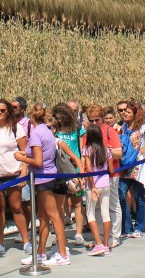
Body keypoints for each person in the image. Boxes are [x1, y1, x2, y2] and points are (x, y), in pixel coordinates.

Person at [14, 104, 72, 267]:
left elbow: (38, 161)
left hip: (43, 179)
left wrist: (22, 158)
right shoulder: (46, 131)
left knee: (53, 216)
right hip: (47, 176)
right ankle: (40, 253)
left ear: (32, 117)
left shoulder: (36, 133)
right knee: (43, 217)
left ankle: (62, 253)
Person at [116, 99, 145, 240]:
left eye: (128, 112)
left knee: (139, 196)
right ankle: (127, 227)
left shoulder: (142, 127)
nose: (125, 114)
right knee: (122, 194)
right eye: (124, 111)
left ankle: (140, 226)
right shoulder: (122, 127)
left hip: (138, 164)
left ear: (135, 114)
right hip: (125, 165)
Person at [0, 99, 28, 255]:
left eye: (3, 110)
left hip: (14, 173)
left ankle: (26, 241)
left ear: (8, 112)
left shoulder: (15, 128)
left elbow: (24, 151)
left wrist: (24, 173)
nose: (0, 113)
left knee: (17, 208)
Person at [85, 104, 123, 248]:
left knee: (112, 205)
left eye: (97, 120)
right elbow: (85, 154)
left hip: (110, 175)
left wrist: (106, 153)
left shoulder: (109, 131)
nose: (94, 123)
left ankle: (114, 236)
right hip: (93, 178)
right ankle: (100, 238)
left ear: (102, 118)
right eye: (91, 120)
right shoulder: (88, 133)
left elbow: (119, 153)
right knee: (96, 209)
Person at [52, 104, 86, 247]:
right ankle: (61, 234)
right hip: (59, 169)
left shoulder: (78, 129)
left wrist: (83, 173)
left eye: (61, 118)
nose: (59, 120)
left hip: (75, 169)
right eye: (57, 118)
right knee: (59, 205)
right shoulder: (54, 129)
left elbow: (82, 150)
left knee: (77, 202)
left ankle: (78, 233)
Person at [80, 124, 114, 256]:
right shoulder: (106, 150)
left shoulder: (87, 149)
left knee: (90, 213)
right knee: (106, 213)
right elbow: (111, 170)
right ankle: (105, 244)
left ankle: (98, 243)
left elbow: (89, 169)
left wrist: (93, 186)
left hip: (93, 185)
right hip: (106, 183)